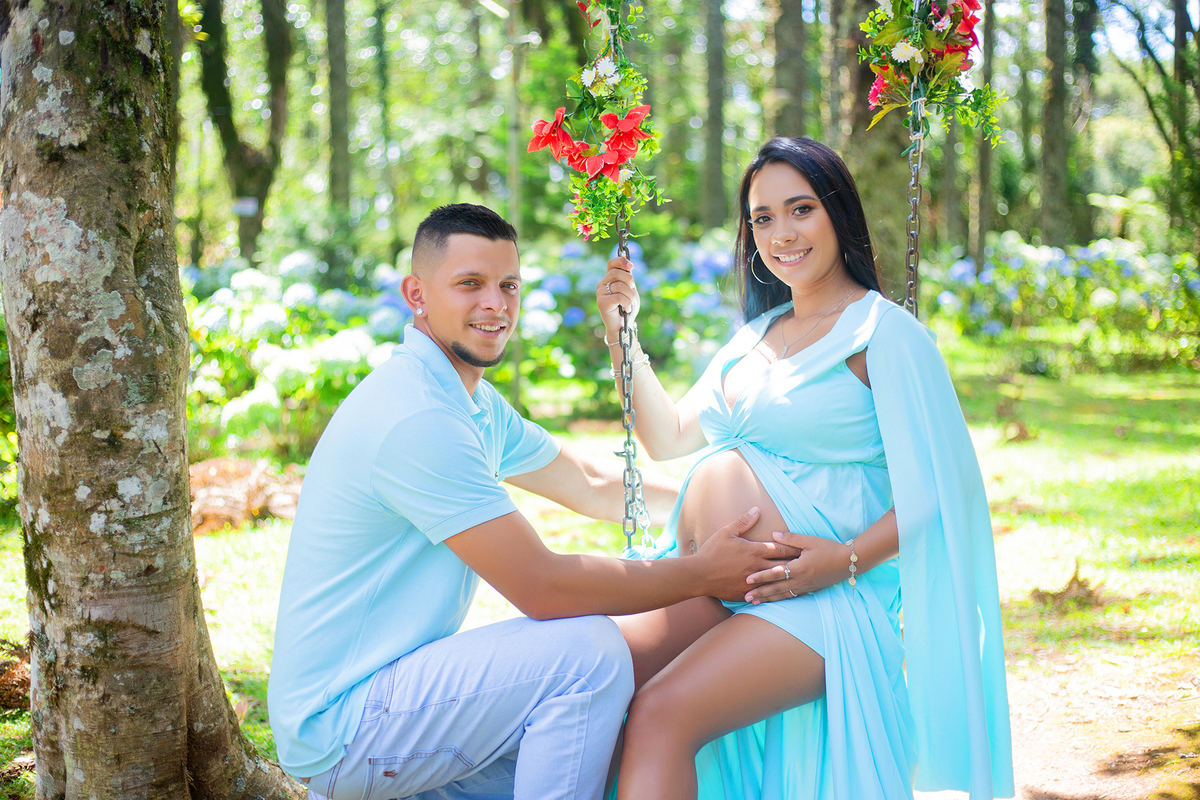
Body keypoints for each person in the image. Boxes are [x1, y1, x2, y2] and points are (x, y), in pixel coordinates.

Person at [267, 203, 795, 800]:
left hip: (395, 700)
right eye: (470, 284)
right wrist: (700, 571)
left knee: (607, 718)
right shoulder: (417, 418)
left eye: (507, 285)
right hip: (346, 729)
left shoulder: (468, 401)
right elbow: (545, 588)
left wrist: (709, 509)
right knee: (586, 655)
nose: (496, 304)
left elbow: (593, 483)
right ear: (417, 293)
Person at [595, 138, 1014, 799]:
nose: (781, 234)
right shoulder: (757, 335)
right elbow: (668, 437)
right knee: (603, 686)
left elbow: (939, 488)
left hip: (818, 602)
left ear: (837, 214)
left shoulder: (883, 333)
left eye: (800, 210)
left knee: (662, 713)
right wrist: (625, 337)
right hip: (713, 582)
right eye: (762, 218)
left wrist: (843, 559)